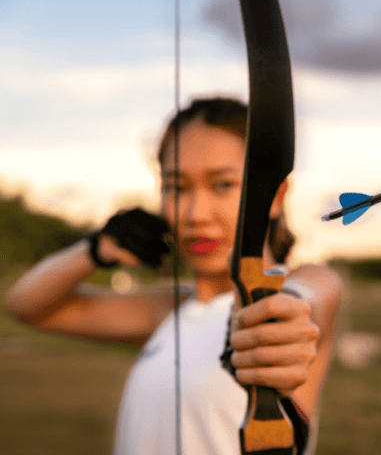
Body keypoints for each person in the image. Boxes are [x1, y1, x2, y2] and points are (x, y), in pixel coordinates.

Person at [4, 97, 342, 455]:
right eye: (176, 187)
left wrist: (286, 309)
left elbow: (313, 294)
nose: (195, 214)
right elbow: (27, 306)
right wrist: (95, 250)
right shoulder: (172, 308)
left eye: (223, 184)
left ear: (275, 195)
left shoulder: (297, 289)